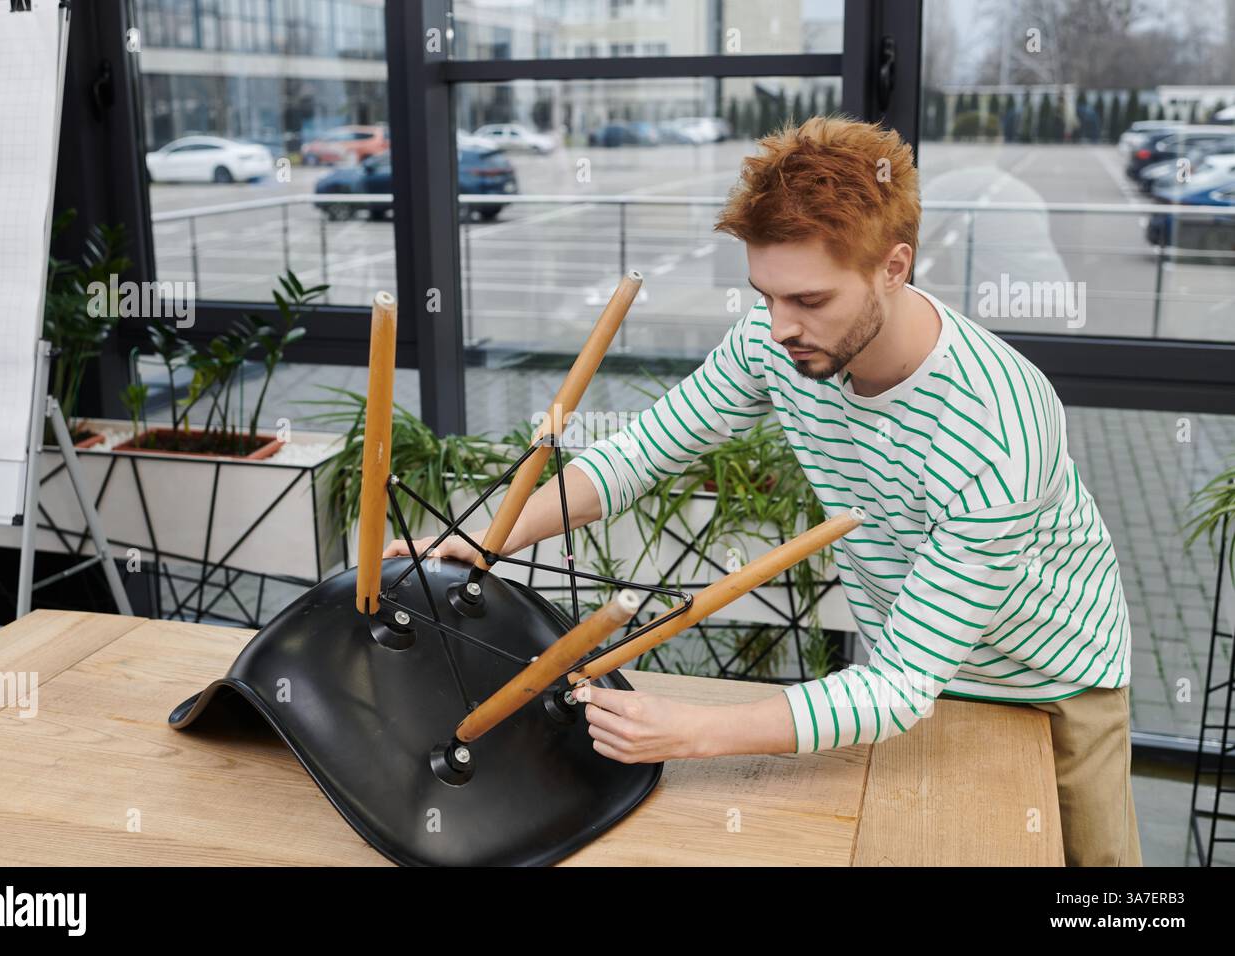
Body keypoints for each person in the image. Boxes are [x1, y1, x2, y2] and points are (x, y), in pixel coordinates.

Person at [385, 116, 1141, 867]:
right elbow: (644, 451)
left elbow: (899, 687)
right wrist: (487, 538)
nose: (780, 327)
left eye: (809, 300)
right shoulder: (773, 338)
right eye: (765, 295)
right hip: (910, 679)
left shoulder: (998, 423)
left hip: (1048, 683)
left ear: (895, 265)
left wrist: (688, 732)